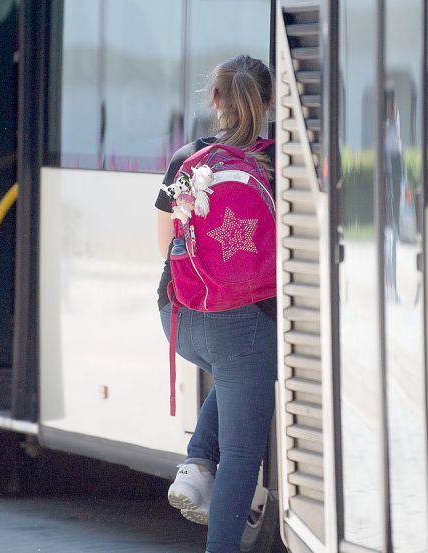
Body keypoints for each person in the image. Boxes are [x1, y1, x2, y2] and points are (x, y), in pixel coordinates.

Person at [154, 54, 277, 553]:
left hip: (178, 317)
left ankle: (197, 463)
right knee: (245, 454)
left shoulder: (187, 159)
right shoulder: (276, 162)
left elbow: (165, 248)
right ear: (270, 103)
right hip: (244, 325)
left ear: (216, 99)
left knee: (232, 374)